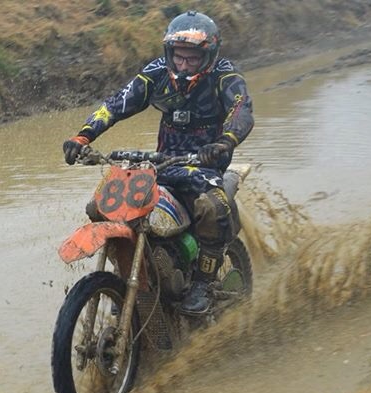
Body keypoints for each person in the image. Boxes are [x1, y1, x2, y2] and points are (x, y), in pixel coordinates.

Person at [63, 10, 254, 315]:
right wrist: (83, 136)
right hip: (162, 166)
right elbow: (116, 104)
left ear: (208, 55)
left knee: (212, 207)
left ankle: (203, 283)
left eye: (192, 58)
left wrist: (225, 141)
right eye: (178, 56)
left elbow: (241, 109)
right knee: (99, 206)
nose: (183, 64)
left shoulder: (224, 75)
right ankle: (130, 277)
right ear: (169, 53)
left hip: (204, 166)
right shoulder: (156, 73)